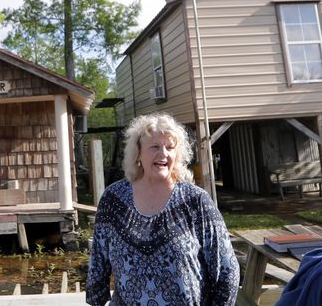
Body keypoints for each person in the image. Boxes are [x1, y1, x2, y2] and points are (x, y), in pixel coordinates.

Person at [86, 113, 239, 305]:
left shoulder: (196, 200)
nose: (163, 154)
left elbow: (228, 270)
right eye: (155, 147)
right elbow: (97, 265)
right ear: (138, 153)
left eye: (170, 148)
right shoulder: (113, 198)